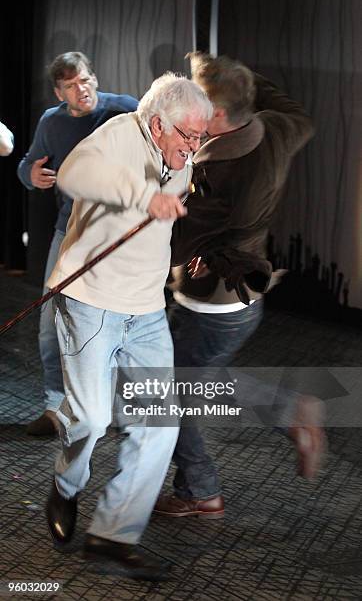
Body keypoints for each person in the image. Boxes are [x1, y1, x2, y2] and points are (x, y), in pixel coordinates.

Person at [45, 72, 213, 580]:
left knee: (159, 422)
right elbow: (74, 176)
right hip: (90, 301)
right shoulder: (119, 133)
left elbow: (160, 227)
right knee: (92, 420)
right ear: (158, 124)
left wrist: (189, 257)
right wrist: (142, 196)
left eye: (202, 136)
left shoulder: (180, 156)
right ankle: (66, 487)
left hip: (145, 309)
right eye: (189, 135)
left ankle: (112, 534)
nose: (195, 145)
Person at [154, 52, 325, 520]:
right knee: (196, 379)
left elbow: (172, 242)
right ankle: (290, 410)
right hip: (236, 304)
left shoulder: (216, 173)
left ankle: (199, 492)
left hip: (212, 302)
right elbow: (294, 110)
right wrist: (234, 75)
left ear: (219, 115)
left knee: (171, 395)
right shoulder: (276, 129)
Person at [17, 52, 138, 436]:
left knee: (117, 326)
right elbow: (28, 164)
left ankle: (118, 409)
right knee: (51, 325)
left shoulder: (125, 111)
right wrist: (30, 174)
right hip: (68, 234)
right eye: (70, 85)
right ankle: (55, 406)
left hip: (118, 238)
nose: (80, 89)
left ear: (94, 79)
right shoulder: (52, 123)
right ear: (59, 92)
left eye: (84, 80)